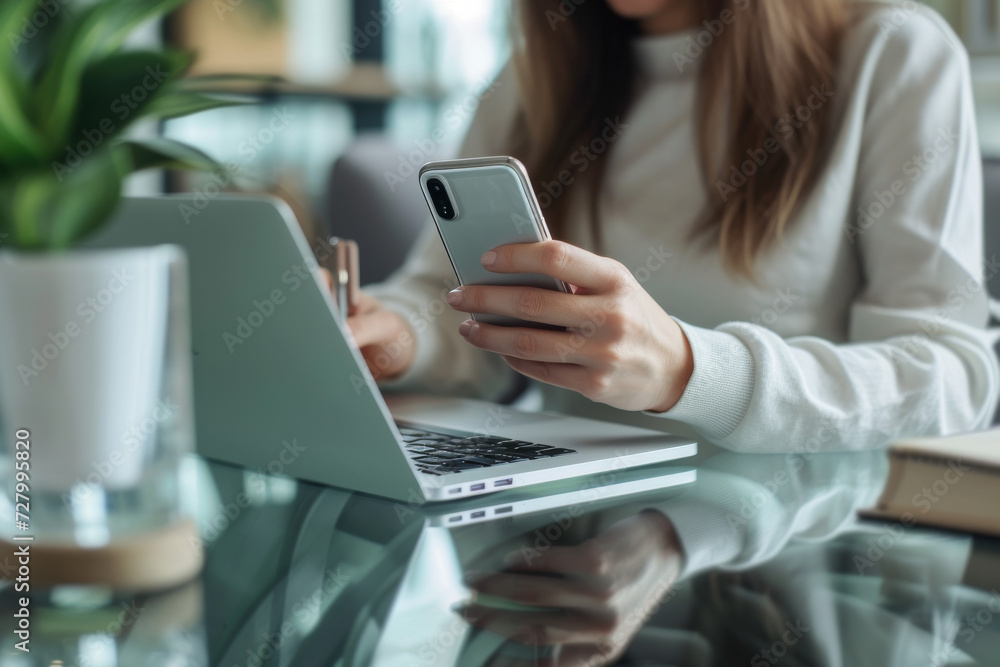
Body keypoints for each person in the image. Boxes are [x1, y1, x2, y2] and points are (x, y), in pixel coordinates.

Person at [350, 0, 1000, 452]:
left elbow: (951, 373)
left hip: (790, 547)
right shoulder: (533, 81)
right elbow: (456, 303)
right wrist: (395, 334)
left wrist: (691, 371)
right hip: (565, 533)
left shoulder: (893, 54)